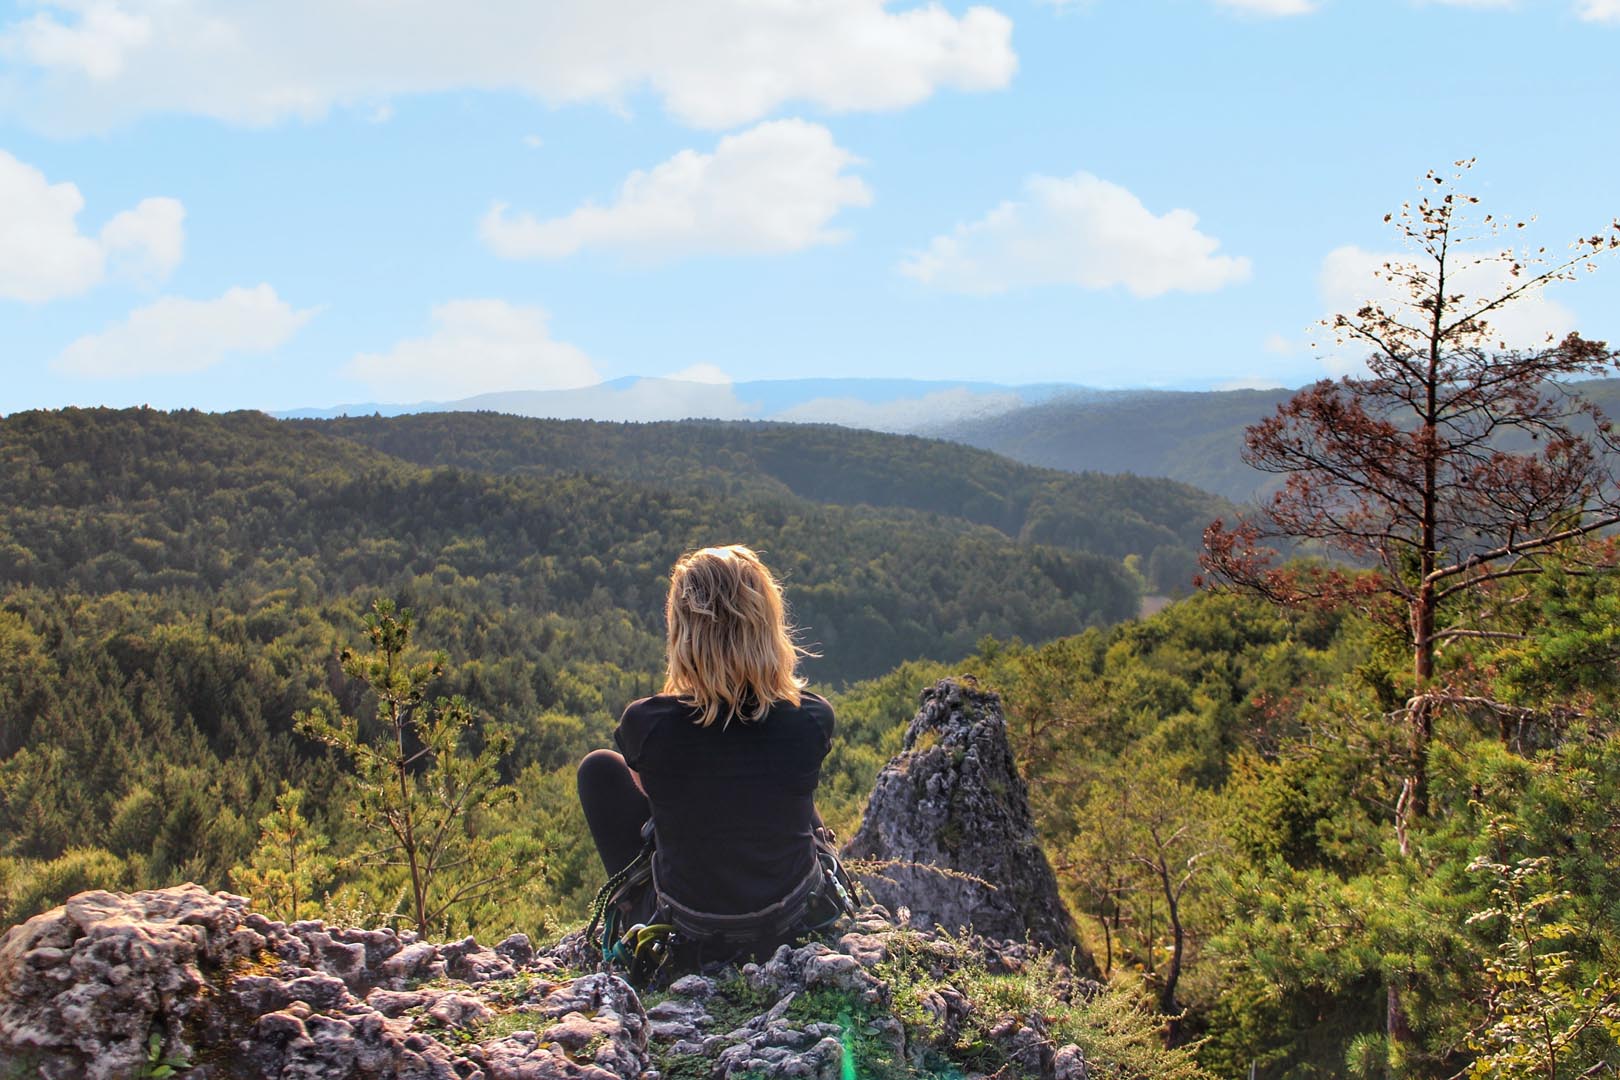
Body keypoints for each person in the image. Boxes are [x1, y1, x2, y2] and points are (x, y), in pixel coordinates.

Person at [576, 544, 839, 965]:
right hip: (792, 921)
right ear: (769, 626)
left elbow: (651, 795)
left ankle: (635, 918)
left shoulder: (648, 724)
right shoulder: (810, 718)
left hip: (688, 928)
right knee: (784, 784)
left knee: (599, 769)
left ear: (684, 633)